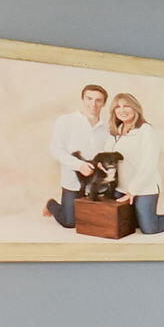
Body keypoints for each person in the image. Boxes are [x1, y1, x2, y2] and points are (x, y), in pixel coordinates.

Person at [106, 92, 164, 234]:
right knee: (128, 223)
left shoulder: (145, 130)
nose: (122, 110)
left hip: (145, 186)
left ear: (135, 108)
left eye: (126, 106)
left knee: (149, 229)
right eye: (118, 107)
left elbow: (149, 165)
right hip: (121, 187)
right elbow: (107, 155)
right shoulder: (115, 131)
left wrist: (132, 191)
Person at [43, 82, 111, 227]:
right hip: (73, 181)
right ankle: (51, 204)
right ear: (82, 99)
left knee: (99, 221)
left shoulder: (108, 127)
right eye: (89, 98)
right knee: (70, 222)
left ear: (104, 103)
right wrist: (79, 165)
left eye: (98, 100)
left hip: (98, 183)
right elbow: (56, 149)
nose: (93, 104)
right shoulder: (65, 121)